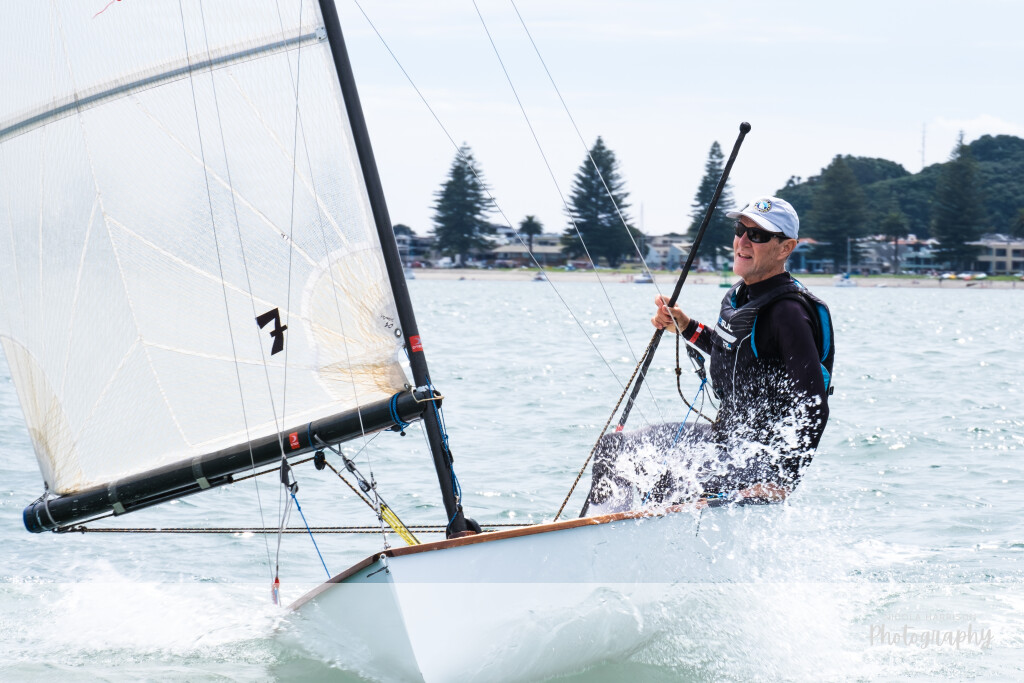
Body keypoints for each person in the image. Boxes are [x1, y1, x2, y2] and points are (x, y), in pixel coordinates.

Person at [585, 196, 835, 513]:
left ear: (785, 248)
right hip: (723, 439)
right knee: (613, 448)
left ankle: (647, 531)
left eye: (757, 235)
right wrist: (686, 326)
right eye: (740, 230)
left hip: (760, 459)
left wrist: (782, 478)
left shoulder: (788, 312)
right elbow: (732, 348)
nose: (743, 241)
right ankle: (604, 523)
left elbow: (813, 402)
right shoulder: (742, 296)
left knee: (673, 477)